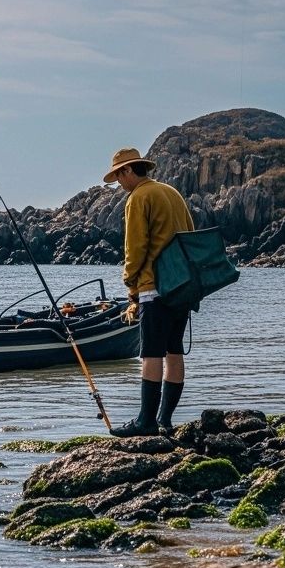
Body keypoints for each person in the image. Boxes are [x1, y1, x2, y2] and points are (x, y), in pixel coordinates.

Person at [103, 147, 194, 437]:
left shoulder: (138, 198)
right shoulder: (172, 193)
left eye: (119, 176)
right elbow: (190, 234)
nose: (119, 183)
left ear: (129, 170)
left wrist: (130, 283)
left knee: (151, 353)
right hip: (182, 285)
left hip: (153, 286)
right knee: (174, 349)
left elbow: (136, 248)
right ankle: (165, 420)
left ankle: (146, 421)